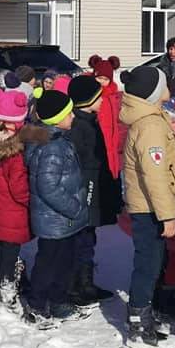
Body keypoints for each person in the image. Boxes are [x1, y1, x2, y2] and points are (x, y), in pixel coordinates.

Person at [119, 66, 175, 346]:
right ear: (155, 92)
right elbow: (154, 174)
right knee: (147, 264)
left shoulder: (153, 118)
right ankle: (137, 319)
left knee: (153, 261)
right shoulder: (150, 126)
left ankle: (143, 312)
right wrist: (167, 215)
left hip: (151, 206)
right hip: (150, 208)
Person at [24, 89, 86, 328]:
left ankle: (58, 300)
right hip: (56, 219)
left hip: (63, 220)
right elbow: (47, 186)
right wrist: (73, 207)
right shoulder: (52, 147)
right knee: (49, 263)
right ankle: (37, 304)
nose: (73, 117)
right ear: (55, 118)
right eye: (69, 113)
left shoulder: (57, 139)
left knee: (64, 262)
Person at [0, 88, 36, 313]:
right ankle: (7, 289)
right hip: (14, 211)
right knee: (11, 252)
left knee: (0, 248)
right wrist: (30, 200)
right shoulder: (15, 152)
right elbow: (19, 187)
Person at [67, 75, 119, 307]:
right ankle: (79, 285)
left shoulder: (88, 121)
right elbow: (82, 162)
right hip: (86, 189)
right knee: (83, 238)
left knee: (88, 236)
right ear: (88, 101)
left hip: (93, 186)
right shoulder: (80, 127)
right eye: (99, 97)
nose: (102, 101)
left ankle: (84, 281)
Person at [87, 55, 124, 184]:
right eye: (99, 78)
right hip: (99, 139)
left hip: (113, 141)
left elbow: (119, 121)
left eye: (105, 79)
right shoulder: (91, 96)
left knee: (113, 172)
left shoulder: (114, 96)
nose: (102, 81)